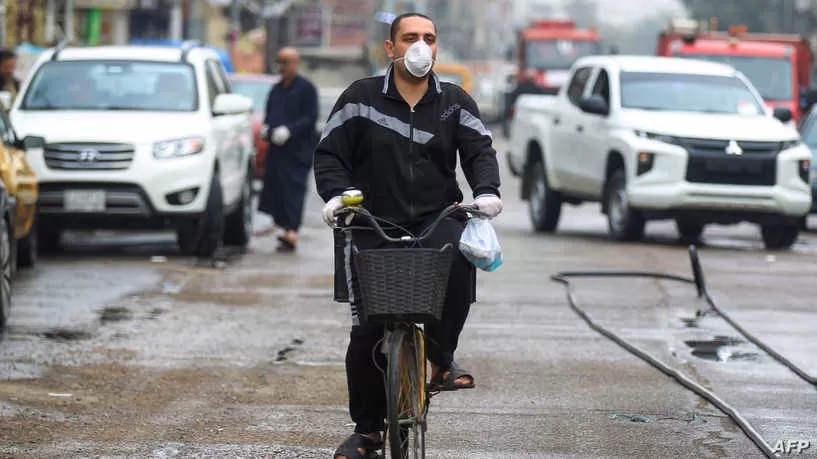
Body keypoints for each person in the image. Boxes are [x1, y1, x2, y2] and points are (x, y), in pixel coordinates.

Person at [313, 12, 502, 458]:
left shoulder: (456, 102)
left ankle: (440, 359)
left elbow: (479, 152)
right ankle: (368, 432)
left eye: (429, 38)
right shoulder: (359, 98)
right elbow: (329, 155)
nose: (421, 46)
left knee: (459, 261)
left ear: (437, 47)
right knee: (365, 334)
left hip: (437, 219)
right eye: (411, 37)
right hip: (371, 223)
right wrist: (339, 195)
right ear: (391, 48)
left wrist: (487, 191)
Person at [258, 47, 318, 252]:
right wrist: (267, 128)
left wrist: (290, 131)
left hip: (298, 151)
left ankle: (292, 231)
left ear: (296, 63)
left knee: (294, 189)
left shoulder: (307, 88)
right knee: (278, 190)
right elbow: (269, 113)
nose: (284, 67)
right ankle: (284, 228)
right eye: (281, 62)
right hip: (277, 150)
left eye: (288, 62)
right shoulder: (276, 89)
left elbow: (310, 118)